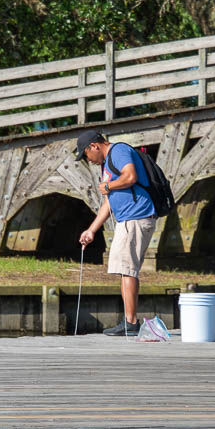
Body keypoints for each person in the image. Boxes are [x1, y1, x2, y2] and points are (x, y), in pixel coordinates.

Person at [76, 130, 157, 336]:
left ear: (94, 146)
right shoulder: (107, 163)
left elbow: (131, 176)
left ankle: (130, 323)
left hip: (136, 217)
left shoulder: (119, 151)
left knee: (127, 269)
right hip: (128, 219)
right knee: (124, 269)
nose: (89, 160)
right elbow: (108, 202)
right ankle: (129, 321)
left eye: (86, 155)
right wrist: (91, 230)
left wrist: (108, 185)